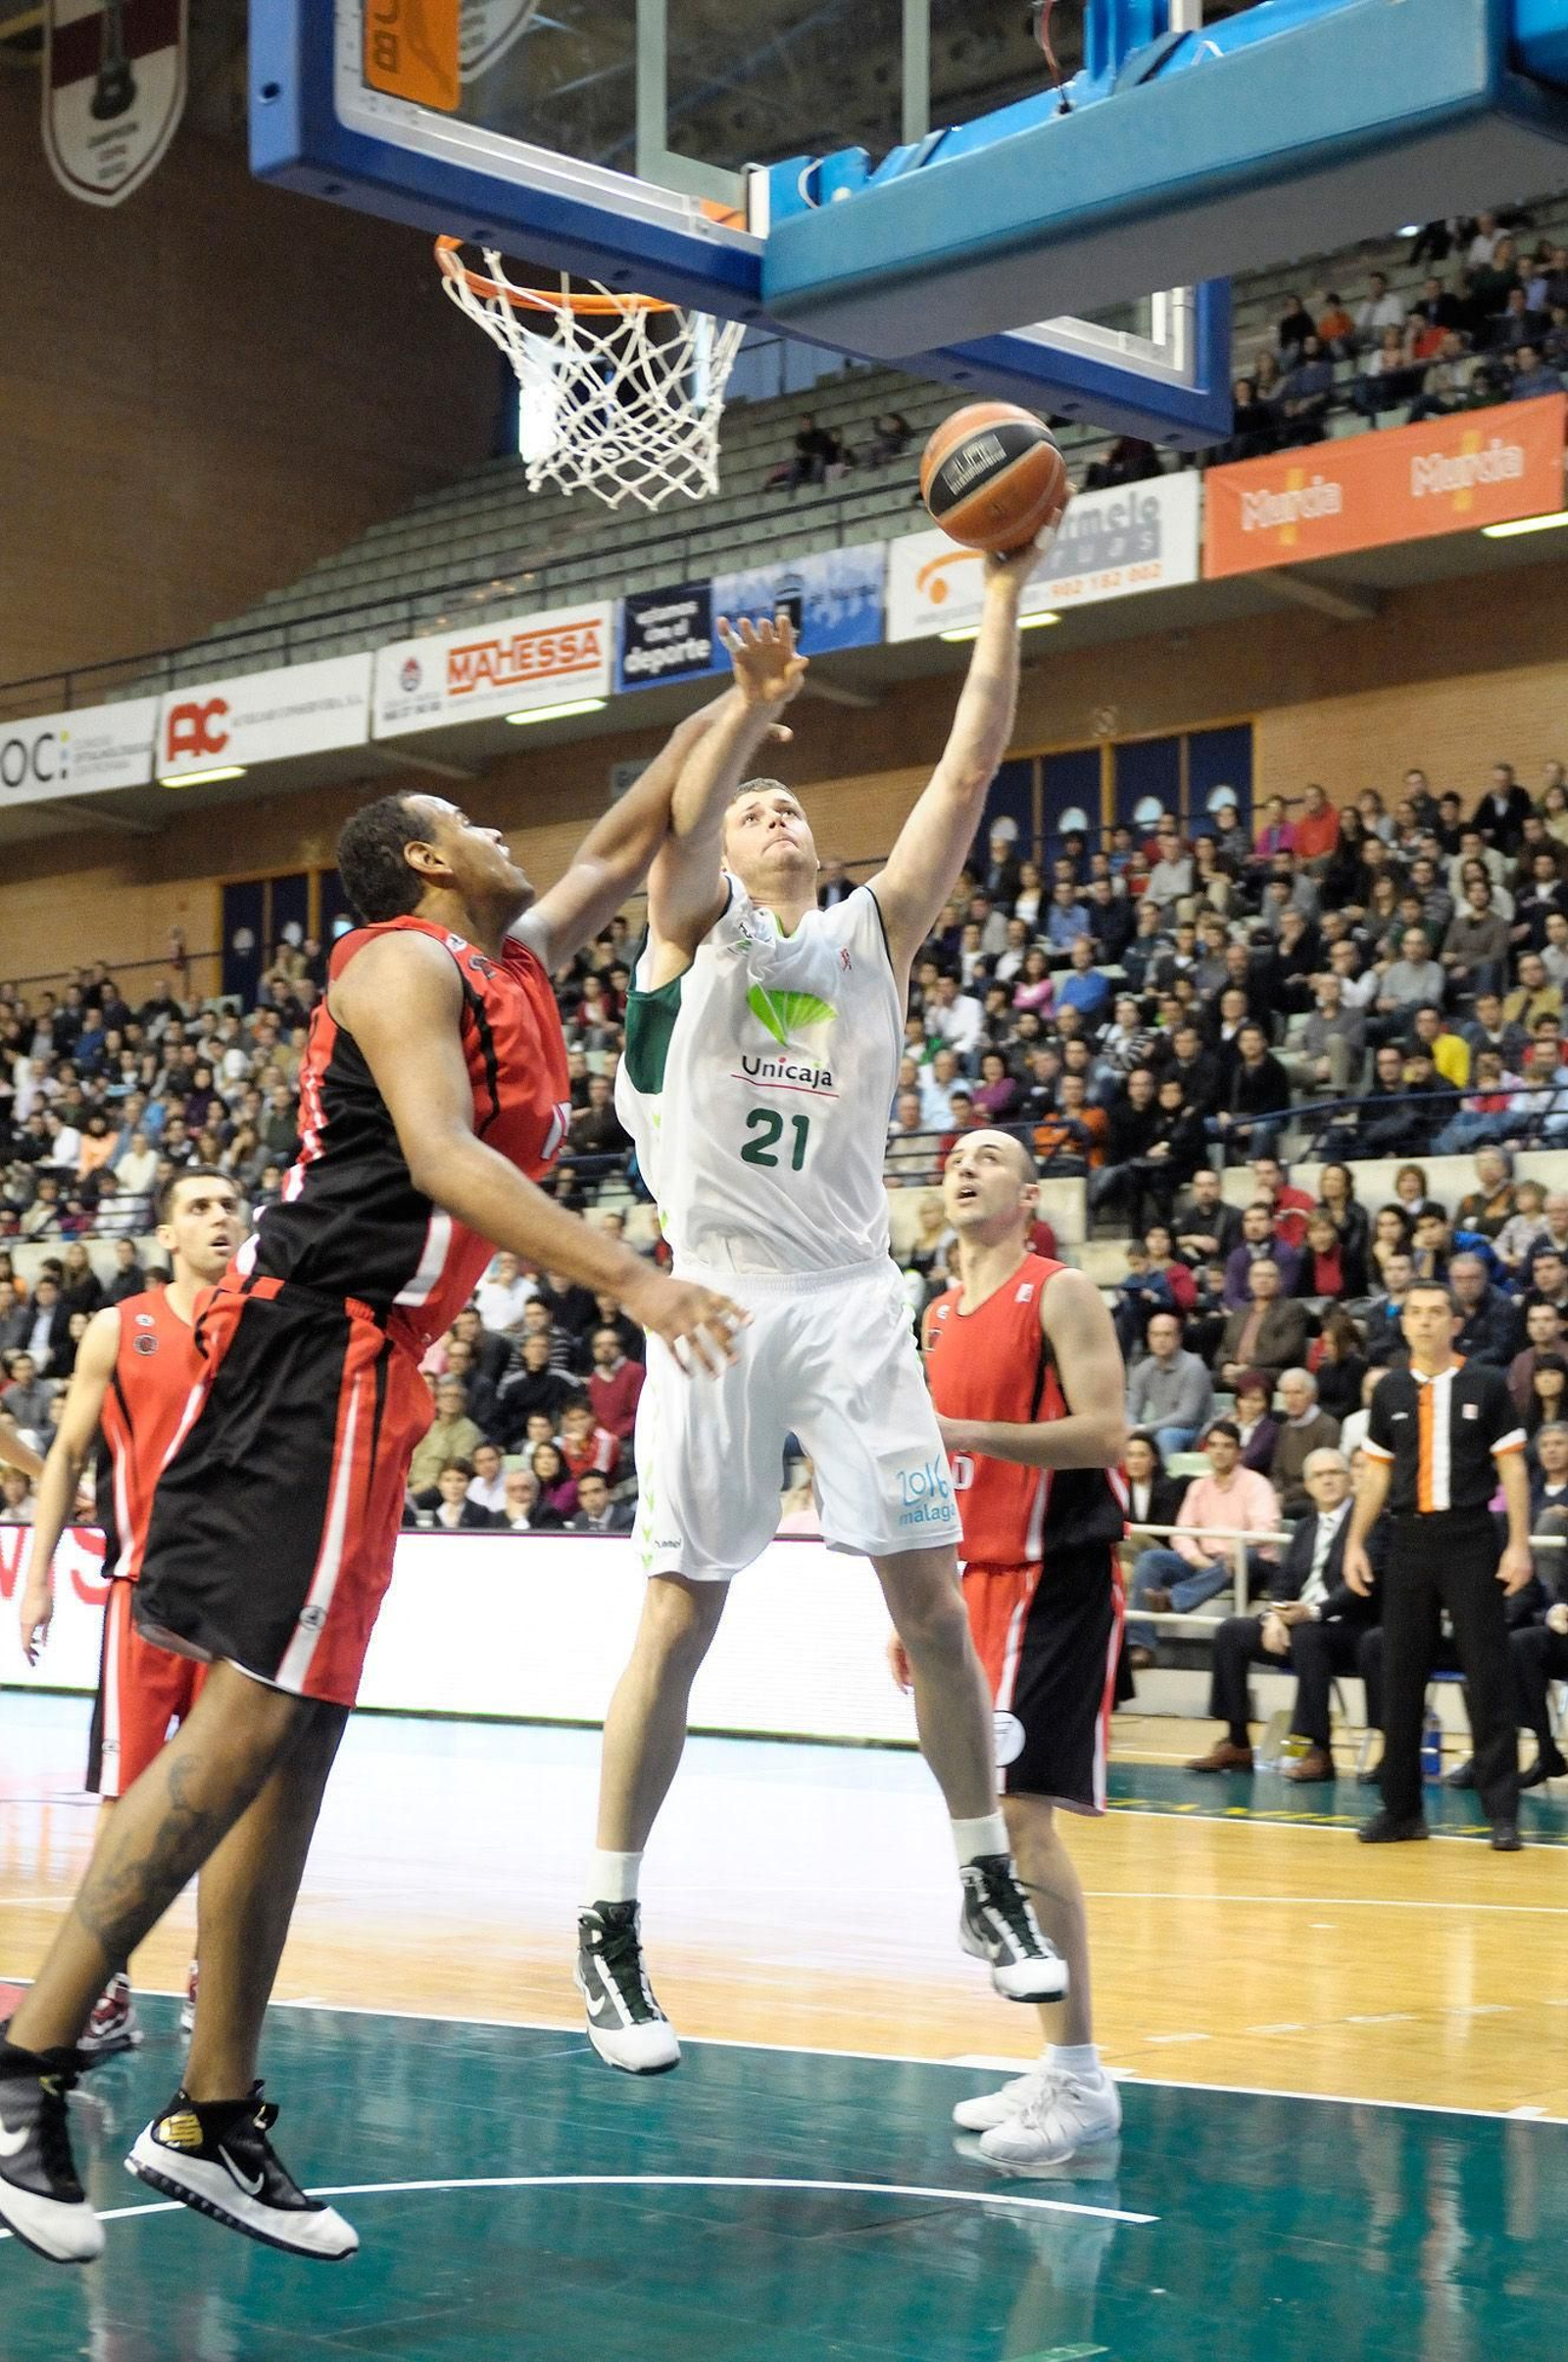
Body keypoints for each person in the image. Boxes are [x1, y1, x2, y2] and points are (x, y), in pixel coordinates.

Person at [0, 663, 765, 2264]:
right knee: (232, 1746)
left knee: (292, 1760)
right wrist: (632, 1277)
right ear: (423, 861)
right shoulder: (399, 962)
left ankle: (213, 2115)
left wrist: (748, 708)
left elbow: (636, 832)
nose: (503, 832)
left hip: (371, 1378)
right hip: (312, 1356)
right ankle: (24, 2072)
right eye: (468, 819)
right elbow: (440, 1157)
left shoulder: (509, 961)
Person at [584, 539, 1070, 2080]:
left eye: (787, 801)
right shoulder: (686, 946)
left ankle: (984, 1873)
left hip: (854, 1295)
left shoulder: (869, 934)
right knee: (682, 1612)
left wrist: (1001, 581)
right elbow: (667, 847)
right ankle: (610, 1923)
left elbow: (973, 757)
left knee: (928, 1601)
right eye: (750, 806)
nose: (774, 814)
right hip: (716, 1295)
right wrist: (739, 714)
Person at [917, 1128, 1126, 2168]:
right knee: (985, 1821)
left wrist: (969, 1431)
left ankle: (1080, 2077)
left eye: (990, 1157)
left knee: (1019, 1824)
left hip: (1057, 1577)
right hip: (970, 1584)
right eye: (954, 1156)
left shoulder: (1060, 1289)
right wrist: (914, 1609)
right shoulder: (938, 1311)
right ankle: (1055, 2062)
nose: (965, 1165)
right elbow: (938, 1477)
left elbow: (1104, 1432)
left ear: (1031, 1193)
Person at [17, 1169, 247, 2063]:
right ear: (167, 1235)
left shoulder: (266, 1323)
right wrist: (37, 1579)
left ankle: (214, 1978)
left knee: (238, 1801)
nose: (219, 1217)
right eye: (199, 1207)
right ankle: (107, 1983)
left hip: (244, 1603)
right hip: (145, 1597)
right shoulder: (121, 1328)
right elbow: (66, 1455)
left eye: (230, 1204)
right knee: (126, 1803)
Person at [1347, 1281, 1533, 1849]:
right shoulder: (1391, 1389)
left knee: (1487, 1673)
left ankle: (1501, 1812)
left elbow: (1514, 1471)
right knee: (1400, 1675)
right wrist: (1355, 1542)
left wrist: (1519, 1544)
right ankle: (1401, 1811)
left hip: (1471, 1539)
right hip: (1407, 1543)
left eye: (1436, 1313)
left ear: (1455, 1322)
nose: (1425, 1322)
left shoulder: (1486, 1383)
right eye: (1415, 1313)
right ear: (1402, 1324)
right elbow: (1377, 1475)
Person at [1187, 1450, 1383, 1782]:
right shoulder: (1306, 1527)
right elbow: (1284, 1580)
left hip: (1351, 1630)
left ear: (1350, 1478)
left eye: (1335, 1472)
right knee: (1231, 1631)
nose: (1329, 1479)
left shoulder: (1370, 1521)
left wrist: (1314, 1612)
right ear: (1308, 1485)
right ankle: (1237, 1743)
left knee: (1308, 1633)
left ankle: (1319, 1750)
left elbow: (1362, 1582)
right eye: (1320, 1475)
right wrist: (1275, 1616)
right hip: (1302, 1627)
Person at [1126, 1420, 1280, 1653]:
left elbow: (1266, 1529)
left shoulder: (1256, 1484)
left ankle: (1173, 1600)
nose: (1219, 1451)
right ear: (1206, 1450)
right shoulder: (1198, 1487)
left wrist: (1234, 1549)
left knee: (1243, 1555)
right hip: (1208, 1562)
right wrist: (1203, 1562)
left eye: (1227, 1446)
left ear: (1239, 1452)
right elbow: (1182, 1534)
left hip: (1252, 1562)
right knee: (1150, 1560)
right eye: (1214, 1445)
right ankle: (1141, 1645)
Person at [1125, 1309, 1213, 1457]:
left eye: (1167, 1334)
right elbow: (1132, 1410)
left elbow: (1187, 1416)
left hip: (1195, 1431)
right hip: (1159, 1427)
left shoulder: (1194, 1367)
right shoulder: (1142, 1369)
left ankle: (1166, 1480)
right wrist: (1131, 1428)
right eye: (1156, 1334)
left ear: (1178, 1338)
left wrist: (1145, 1428)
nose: (1161, 1340)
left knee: (1167, 1436)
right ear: (1149, 1338)